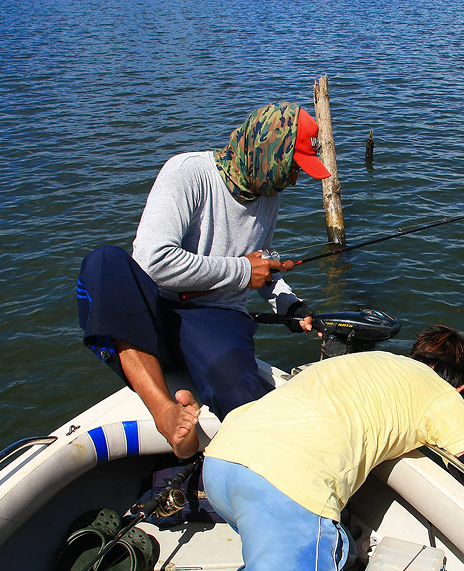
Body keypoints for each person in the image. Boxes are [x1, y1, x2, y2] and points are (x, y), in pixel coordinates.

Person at [184, 326, 464, 571]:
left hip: (223, 460)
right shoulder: (445, 396)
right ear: (463, 388)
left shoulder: (376, 360)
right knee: (297, 548)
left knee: (296, 555)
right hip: (284, 484)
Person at [76, 102, 330, 458]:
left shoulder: (268, 198)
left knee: (247, 403)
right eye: (290, 168)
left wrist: (291, 305)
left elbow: (263, 266)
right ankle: (165, 412)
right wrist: (242, 271)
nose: (293, 179)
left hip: (218, 319)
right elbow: (152, 262)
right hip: (155, 311)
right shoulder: (187, 173)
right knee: (105, 262)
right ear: (268, 152)